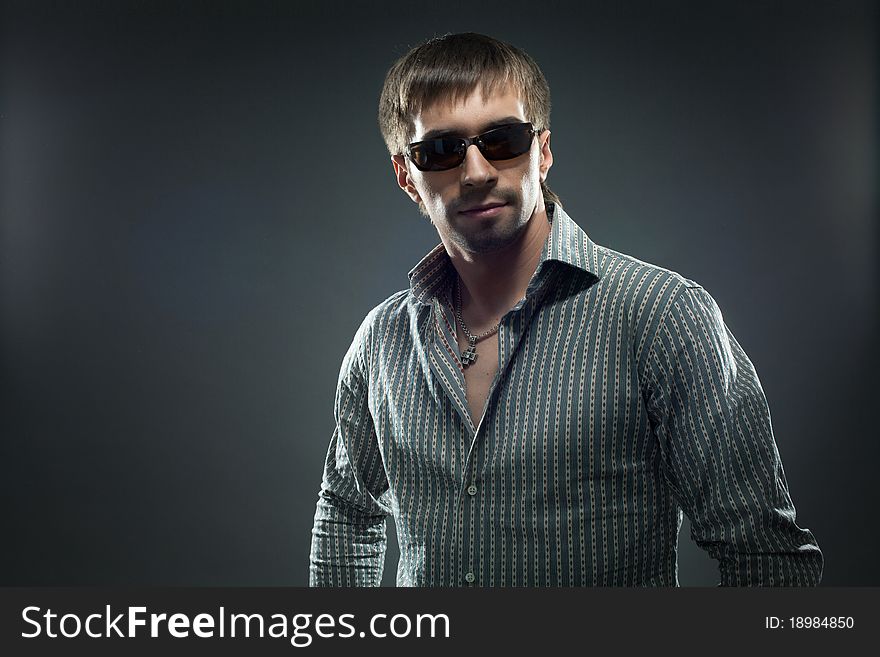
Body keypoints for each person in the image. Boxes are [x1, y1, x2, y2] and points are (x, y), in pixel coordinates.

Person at [308, 32, 823, 587]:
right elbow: (346, 513)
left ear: (543, 152)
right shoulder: (381, 341)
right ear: (407, 176)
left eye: (502, 140)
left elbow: (768, 560)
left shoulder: (661, 315)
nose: (477, 172)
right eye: (442, 150)